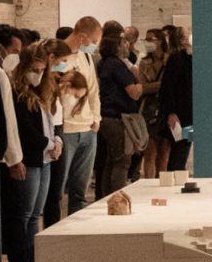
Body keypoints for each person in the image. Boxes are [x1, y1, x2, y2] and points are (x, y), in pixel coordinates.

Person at [6, 47, 61, 262]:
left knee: (35, 214)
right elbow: (25, 131)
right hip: (30, 158)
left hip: (45, 158)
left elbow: (50, 122)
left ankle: (32, 261)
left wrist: (56, 141)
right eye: (34, 70)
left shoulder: (42, 93)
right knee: (25, 214)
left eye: (41, 70)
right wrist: (49, 143)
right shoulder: (18, 94)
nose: (38, 74)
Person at [48, 17, 102, 218]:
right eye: (94, 41)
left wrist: (96, 118)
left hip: (88, 129)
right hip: (66, 130)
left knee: (80, 192)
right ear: (83, 36)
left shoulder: (85, 57)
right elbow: (54, 91)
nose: (95, 46)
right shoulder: (60, 58)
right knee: (57, 191)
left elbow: (93, 89)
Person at [93, 26, 144, 197]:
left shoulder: (104, 63)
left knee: (111, 159)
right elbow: (134, 93)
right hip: (116, 117)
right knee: (123, 159)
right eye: (124, 42)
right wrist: (140, 82)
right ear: (117, 46)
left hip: (107, 116)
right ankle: (118, 196)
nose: (127, 45)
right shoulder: (117, 65)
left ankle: (107, 195)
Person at [0, 25, 26, 262]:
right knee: (15, 214)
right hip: (2, 158)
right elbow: (7, 119)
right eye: (14, 51)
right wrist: (14, 158)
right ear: (0, 49)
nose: (15, 56)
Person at [158, 23, 194, 171]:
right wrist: (171, 112)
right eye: (187, 34)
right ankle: (176, 178)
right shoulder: (177, 59)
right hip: (180, 114)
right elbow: (168, 87)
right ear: (182, 40)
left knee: (182, 150)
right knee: (180, 150)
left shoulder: (185, 58)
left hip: (185, 112)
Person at [136, 30, 166, 178]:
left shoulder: (169, 60)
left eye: (151, 39)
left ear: (160, 41)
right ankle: (148, 184)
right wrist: (161, 85)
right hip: (149, 109)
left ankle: (163, 185)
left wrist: (151, 86)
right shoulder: (144, 62)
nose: (147, 43)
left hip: (165, 107)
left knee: (164, 154)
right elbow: (142, 86)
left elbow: (170, 85)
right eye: (145, 39)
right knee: (150, 152)